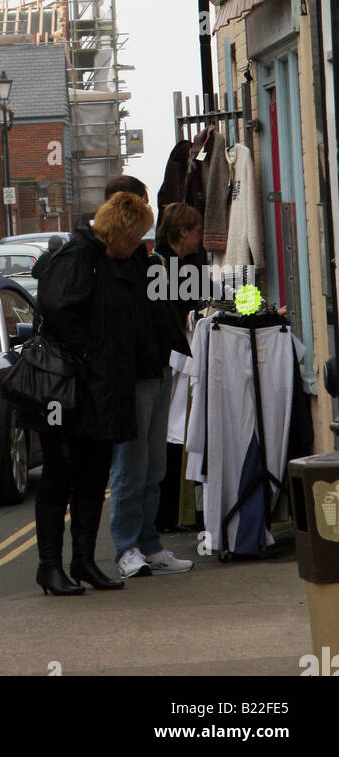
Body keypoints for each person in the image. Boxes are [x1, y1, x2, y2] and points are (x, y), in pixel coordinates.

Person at [31, 191, 154, 596]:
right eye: (135, 237)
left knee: (93, 475)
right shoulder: (78, 257)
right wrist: (89, 354)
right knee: (59, 475)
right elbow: (56, 308)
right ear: (120, 231)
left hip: (101, 388)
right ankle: (49, 567)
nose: (138, 245)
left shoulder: (110, 260)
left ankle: (83, 561)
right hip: (69, 389)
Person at [108, 184, 194, 579]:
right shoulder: (111, 264)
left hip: (159, 370)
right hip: (134, 377)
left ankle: (149, 544)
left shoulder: (146, 262)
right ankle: (126, 548)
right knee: (131, 465)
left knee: (154, 465)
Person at [152, 202, 206, 533]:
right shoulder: (163, 266)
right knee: (171, 436)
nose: (202, 236)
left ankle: (171, 512)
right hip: (170, 362)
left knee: (173, 436)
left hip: (173, 360)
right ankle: (167, 514)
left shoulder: (176, 263)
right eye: (198, 230)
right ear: (183, 232)